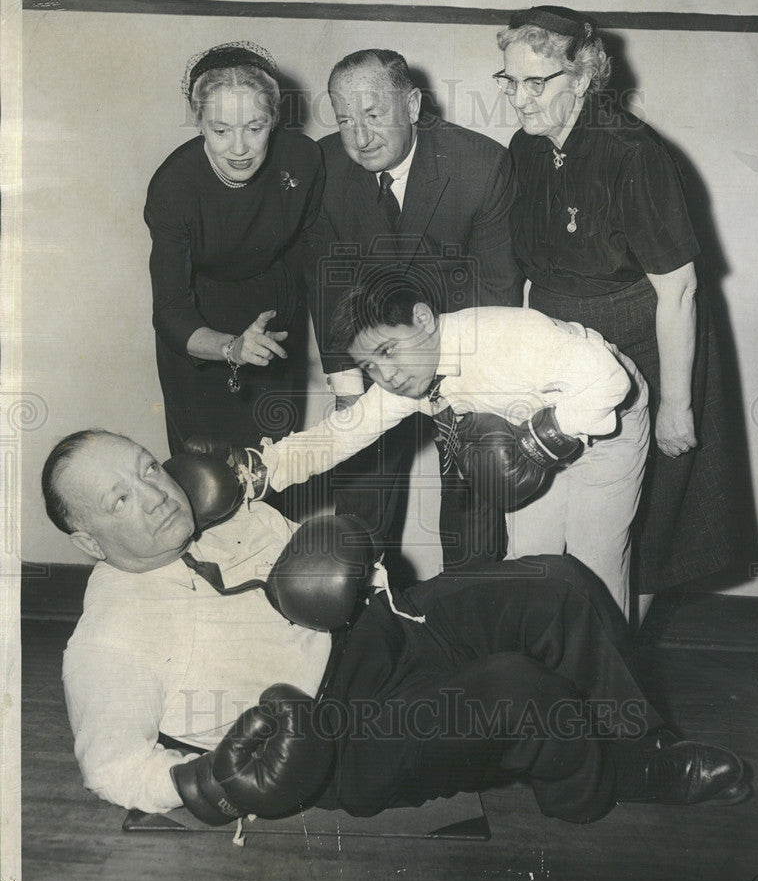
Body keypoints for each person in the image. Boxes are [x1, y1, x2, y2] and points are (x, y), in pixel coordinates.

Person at [43, 429, 748, 824]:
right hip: (343, 732)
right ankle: (608, 784)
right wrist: (205, 781)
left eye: (146, 469)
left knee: (553, 584)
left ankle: (642, 739)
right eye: (120, 499)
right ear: (87, 539)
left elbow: (315, 571)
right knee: (520, 693)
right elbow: (110, 766)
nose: (157, 497)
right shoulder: (110, 637)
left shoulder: (214, 507)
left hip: (387, 630)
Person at [495, 5, 745, 611]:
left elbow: (679, 289)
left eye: (537, 82)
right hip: (556, 358)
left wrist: (677, 407)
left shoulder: (632, 151)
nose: (519, 100)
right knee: (532, 533)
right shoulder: (525, 151)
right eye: (509, 81)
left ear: (582, 77)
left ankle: (606, 688)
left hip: (640, 357)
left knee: (617, 541)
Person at [258, 265, 650, 618]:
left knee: (594, 570)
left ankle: (611, 694)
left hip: (608, 422)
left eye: (388, 351)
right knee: (531, 565)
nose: (386, 375)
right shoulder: (406, 382)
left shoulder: (500, 336)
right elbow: (340, 434)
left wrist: (538, 441)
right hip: (529, 435)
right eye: (370, 367)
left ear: (424, 320)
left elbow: (610, 379)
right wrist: (261, 469)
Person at [304, 49, 523, 573]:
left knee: (472, 504)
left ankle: (469, 634)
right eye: (344, 120)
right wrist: (347, 390)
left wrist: (461, 393)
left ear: (413, 104)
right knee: (359, 502)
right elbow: (326, 284)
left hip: (459, 354)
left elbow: (497, 293)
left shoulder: (480, 164)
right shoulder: (323, 168)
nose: (359, 138)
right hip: (371, 361)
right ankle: (360, 634)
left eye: (373, 115)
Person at [145, 41, 323, 455]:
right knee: (208, 476)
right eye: (221, 130)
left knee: (273, 466)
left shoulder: (303, 159)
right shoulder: (173, 188)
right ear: (199, 122)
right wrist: (230, 348)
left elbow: (312, 254)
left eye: (255, 128)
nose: (239, 148)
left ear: (274, 120)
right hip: (199, 325)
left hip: (271, 321)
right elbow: (169, 309)